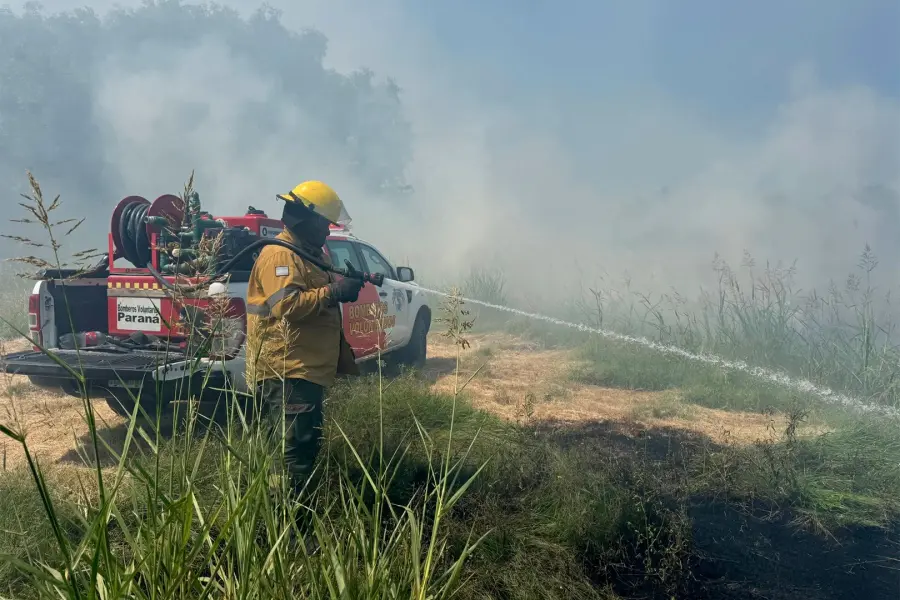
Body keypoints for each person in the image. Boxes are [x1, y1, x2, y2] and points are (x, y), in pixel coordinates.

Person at [245, 180, 363, 493]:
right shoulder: (280, 256)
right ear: (306, 220)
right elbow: (287, 305)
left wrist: (339, 285)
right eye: (324, 223)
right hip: (286, 372)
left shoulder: (304, 254)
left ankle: (283, 518)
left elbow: (310, 294)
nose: (327, 231)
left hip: (300, 371)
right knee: (293, 455)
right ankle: (293, 527)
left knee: (298, 447)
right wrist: (334, 291)